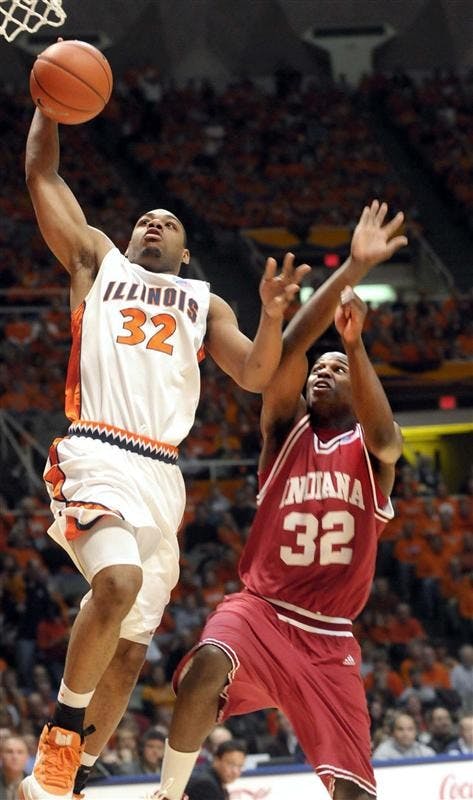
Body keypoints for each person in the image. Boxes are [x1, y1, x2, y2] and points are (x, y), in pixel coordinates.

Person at [19, 104, 309, 800]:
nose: (154, 223)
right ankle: (59, 742)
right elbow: (41, 171)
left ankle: (69, 784)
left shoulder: (204, 304)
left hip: (162, 473)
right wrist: (48, 105)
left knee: (126, 659)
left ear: (184, 253)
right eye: (145, 218)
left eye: (169, 223)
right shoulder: (97, 262)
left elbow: (256, 374)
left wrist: (271, 318)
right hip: (97, 447)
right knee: (113, 585)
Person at [152, 200, 407, 800]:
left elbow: (388, 438)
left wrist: (356, 344)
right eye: (321, 367)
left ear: (360, 385)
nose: (322, 372)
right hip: (261, 610)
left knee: (355, 792)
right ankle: (167, 794)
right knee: (204, 668)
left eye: (336, 370)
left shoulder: (370, 456)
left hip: (329, 636)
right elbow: (287, 359)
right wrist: (346, 274)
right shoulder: (283, 434)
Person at [0, 735, 29, 800]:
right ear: (1, 756)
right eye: (9, 752)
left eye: (20, 752)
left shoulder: (36, 786)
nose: (15, 757)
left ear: (27, 757)